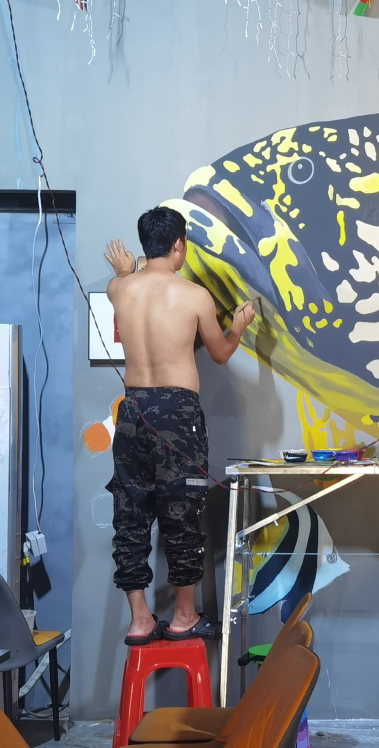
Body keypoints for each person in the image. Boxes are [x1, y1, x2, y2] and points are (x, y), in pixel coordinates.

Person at [103, 206, 256, 645]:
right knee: (181, 511)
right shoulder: (195, 296)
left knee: (130, 514)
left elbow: (124, 283)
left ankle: (140, 620)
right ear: (178, 245)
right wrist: (239, 326)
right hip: (177, 413)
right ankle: (184, 616)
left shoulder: (120, 289)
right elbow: (221, 353)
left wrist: (126, 270)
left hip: (132, 410)